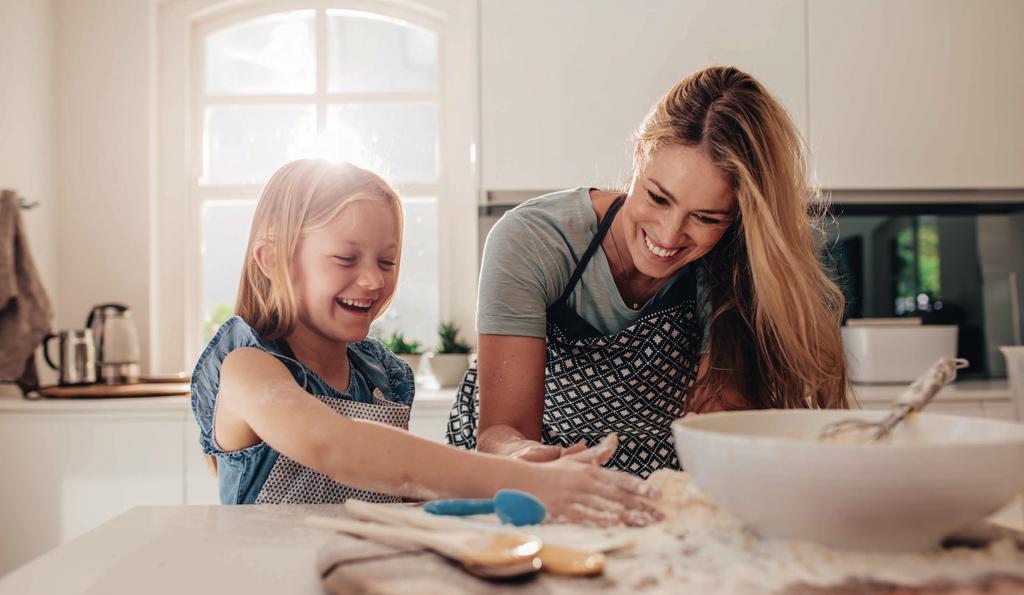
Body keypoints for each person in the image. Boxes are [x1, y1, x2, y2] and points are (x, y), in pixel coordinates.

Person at [190, 159, 659, 526]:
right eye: (345, 257)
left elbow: (402, 487)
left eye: (388, 261)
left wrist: (524, 475)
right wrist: (524, 480)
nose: (372, 279)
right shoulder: (246, 367)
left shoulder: (381, 378)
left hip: (357, 586)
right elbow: (335, 446)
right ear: (272, 260)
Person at [447, 66, 849, 478]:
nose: (669, 235)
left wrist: (720, 437)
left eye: (706, 218)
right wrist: (529, 460)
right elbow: (502, 430)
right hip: (508, 478)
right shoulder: (534, 240)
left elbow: (718, 412)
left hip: (654, 481)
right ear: (639, 154)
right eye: (658, 198)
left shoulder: (733, 266)